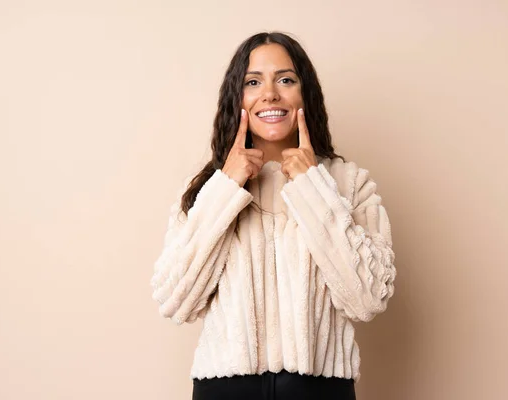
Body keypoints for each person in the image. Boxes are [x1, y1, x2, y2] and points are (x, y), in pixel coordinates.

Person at [150, 31, 397, 400]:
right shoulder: (207, 189)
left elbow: (369, 298)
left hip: (320, 392)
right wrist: (226, 189)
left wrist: (313, 186)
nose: (270, 93)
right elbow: (175, 299)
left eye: (285, 79)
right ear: (239, 99)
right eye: (253, 82)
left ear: (305, 94)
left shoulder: (348, 183)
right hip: (225, 391)